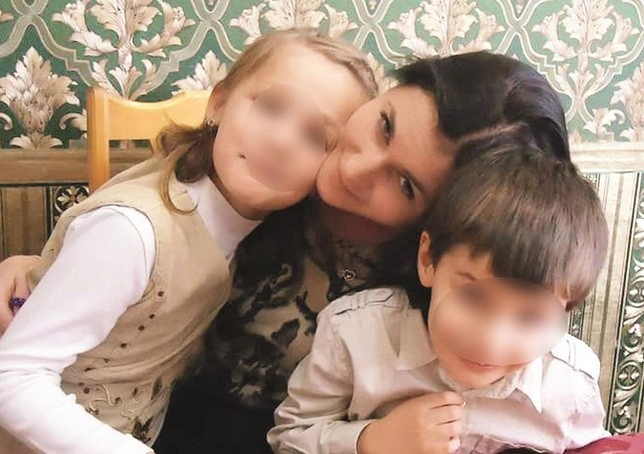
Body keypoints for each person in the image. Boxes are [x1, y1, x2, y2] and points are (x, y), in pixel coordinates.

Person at [0, 51, 572, 453]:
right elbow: (146, 228)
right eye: (384, 125)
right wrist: (35, 265)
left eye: (404, 184)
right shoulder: (268, 166)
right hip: (159, 425)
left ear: (437, 224)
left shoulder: (438, 287)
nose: (355, 168)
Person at [0, 29, 377, 454]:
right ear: (218, 104)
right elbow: (13, 377)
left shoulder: (249, 224)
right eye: (270, 106)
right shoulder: (133, 231)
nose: (282, 141)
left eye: (314, 137)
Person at [268, 130, 611, 453]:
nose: (491, 340)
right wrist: (373, 440)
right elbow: (290, 437)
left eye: (530, 317)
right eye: (473, 297)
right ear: (428, 260)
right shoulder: (355, 335)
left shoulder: (570, 385)